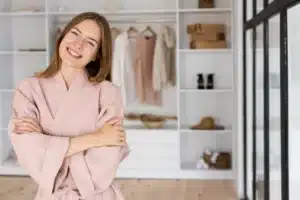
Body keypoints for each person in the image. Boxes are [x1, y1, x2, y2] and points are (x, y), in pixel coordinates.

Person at [8, 12, 130, 200]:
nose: (77, 44)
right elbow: (29, 152)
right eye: (74, 33)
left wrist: (47, 143)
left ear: (97, 55)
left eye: (90, 42)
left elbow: (107, 157)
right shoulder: (28, 89)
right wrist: (95, 138)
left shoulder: (109, 93)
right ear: (62, 36)